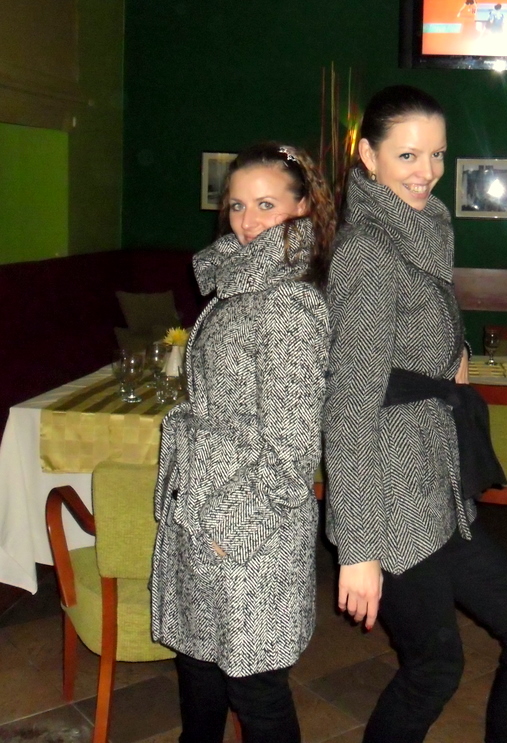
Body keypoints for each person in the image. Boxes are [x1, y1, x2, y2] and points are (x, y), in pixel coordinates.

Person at [324, 85, 507, 743]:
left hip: (435, 484)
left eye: (436, 154)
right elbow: (348, 408)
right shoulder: (369, 251)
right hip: (391, 498)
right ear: (368, 156)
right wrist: (358, 549)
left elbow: (410, 340)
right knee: (434, 667)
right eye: (407, 154)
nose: (426, 170)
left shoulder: (421, 229)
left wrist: (452, 355)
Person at [150, 142, 335, 742]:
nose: (248, 221)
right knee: (200, 665)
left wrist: (232, 527)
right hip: (205, 510)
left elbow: (294, 452)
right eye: (236, 205)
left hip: (246, 529)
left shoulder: (288, 303)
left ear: (302, 208)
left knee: (255, 687)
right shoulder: (240, 284)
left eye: (266, 205)